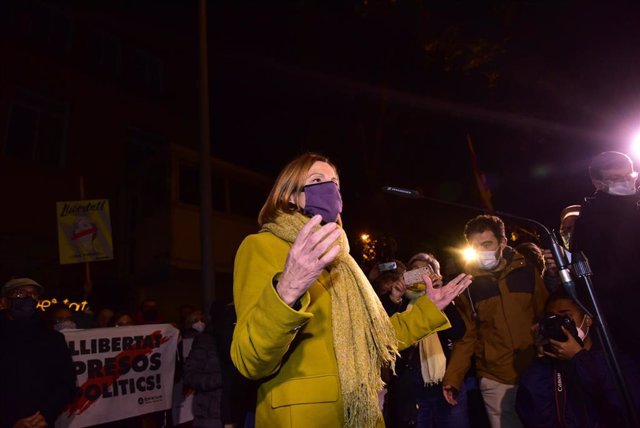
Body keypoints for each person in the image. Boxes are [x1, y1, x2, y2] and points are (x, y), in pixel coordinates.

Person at [230, 152, 473, 428]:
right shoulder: (262, 247)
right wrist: (286, 291)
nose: (330, 188)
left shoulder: (344, 261)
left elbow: (379, 338)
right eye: (317, 180)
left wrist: (429, 309)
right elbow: (250, 359)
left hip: (362, 415)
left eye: (335, 182)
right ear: (290, 196)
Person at [443, 215, 549, 428]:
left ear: (502, 243)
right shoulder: (468, 286)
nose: (481, 251)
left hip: (535, 370)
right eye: (475, 246)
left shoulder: (527, 272)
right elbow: (467, 337)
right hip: (494, 379)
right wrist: (452, 379)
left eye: (487, 244)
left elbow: (544, 314)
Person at [516, 291, 640, 427]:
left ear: (587, 319)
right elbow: (535, 417)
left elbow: (628, 404)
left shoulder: (612, 359)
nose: (561, 325)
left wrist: (579, 358)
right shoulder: (549, 368)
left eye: (566, 317)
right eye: (553, 319)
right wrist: (541, 359)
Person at [385, 253, 470, 428]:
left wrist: (444, 304)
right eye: (414, 270)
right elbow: (385, 335)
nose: (419, 274)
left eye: (425, 271)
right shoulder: (400, 301)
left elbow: (458, 333)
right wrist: (394, 298)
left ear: (436, 275)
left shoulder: (448, 299)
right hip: (411, 388)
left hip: (444, 383)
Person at [570, 151, 640, 359]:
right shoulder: (590, 221)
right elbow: (599, 278)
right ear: (598, 183)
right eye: (617, 179)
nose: (627, 182)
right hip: (625, 318)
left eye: (630, 175)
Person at [0, 277, 77, 428]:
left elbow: (66, 384)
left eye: (33, 294)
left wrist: (45, 415)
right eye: (20, 293)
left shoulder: (53, 339)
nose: (28, 298)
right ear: (3, 301)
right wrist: (9, 422)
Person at [184, 303, 223, 428]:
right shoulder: (205, 341)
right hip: (209, 416)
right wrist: (223, 377)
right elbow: (190, 376)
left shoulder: (237, 338)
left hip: (233, 412)